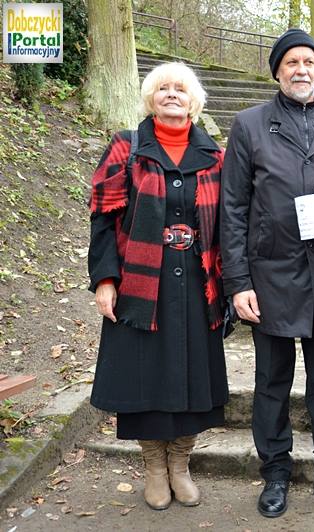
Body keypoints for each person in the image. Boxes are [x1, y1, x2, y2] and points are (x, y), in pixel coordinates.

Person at [220, 28, 314, 519]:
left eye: (308, 61)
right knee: (271, 381)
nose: (301, 69)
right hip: (269, 274)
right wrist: (238, 283)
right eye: (291, 63)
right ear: (277, 72)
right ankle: (276, 474)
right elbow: (232, 207)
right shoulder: (249, 125)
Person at [88, 62, 228, 511]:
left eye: (180, 89)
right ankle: (153, 464)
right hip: (141, 284)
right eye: (162, 88)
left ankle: (181, 463)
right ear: (150, 99)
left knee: (191, 373)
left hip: (197, 284)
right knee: (144, 375)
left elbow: (230, 224)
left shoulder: (215, 156)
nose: (172, 94)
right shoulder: (126, 147)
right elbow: (103, 217)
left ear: (194, 101)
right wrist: (106, 279)